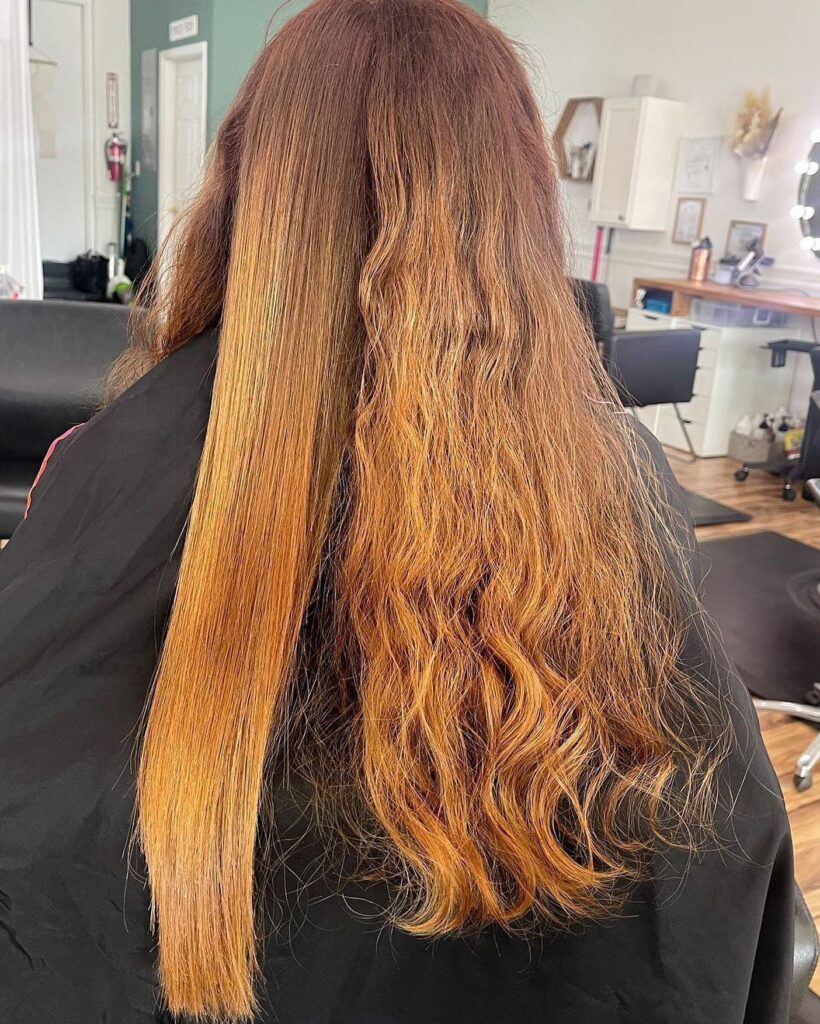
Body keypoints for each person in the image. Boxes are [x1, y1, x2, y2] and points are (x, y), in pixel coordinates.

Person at [0, 1, 793, 1021]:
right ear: (516, 199)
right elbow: (726, 872)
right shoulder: (619, 471)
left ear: (249, 186)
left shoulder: (112, 456)